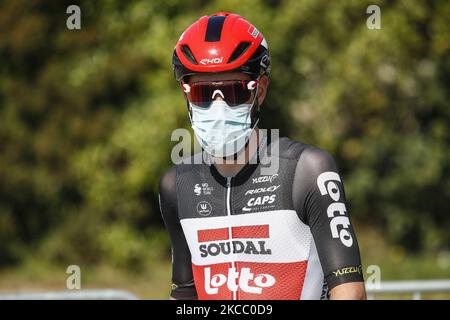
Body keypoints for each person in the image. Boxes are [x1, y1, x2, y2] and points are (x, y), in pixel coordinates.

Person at [159, 12, 366, 300]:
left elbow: (350, 292)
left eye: (233, 91)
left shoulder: (308, 171)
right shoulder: (176, 185)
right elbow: (184, 295)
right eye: (203, 93)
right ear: (187, 96)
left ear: (261, 91)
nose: (218, 108)